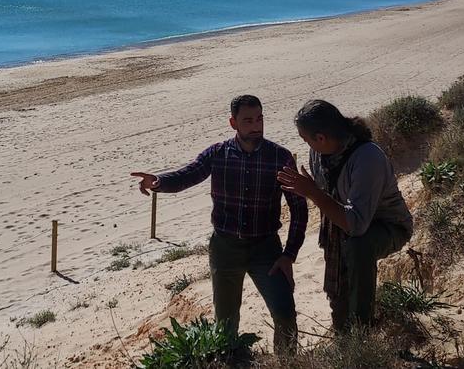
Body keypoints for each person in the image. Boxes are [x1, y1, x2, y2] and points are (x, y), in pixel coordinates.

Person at [130, 95, 307, 354]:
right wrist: (158, 182)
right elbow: (187, 175)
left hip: (266, 249)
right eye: (248, 120)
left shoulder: (279, 157)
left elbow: (299, 209)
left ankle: (287, 362)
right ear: (233, 123)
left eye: (259, 119)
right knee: (225, 324)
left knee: (285, 314)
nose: (256, 126)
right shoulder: (217, 154)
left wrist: (289, 254)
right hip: (225, 249)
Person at [278, 100, 413, 331]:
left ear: (321, 138)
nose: (304, 144)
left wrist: (312, 192)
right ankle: (343, 330)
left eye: (305, 139)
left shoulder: (367, 158)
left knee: (359, 245)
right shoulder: (318, 154)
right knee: (339, 295)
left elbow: (356, 224)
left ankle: (362, 327)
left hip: (387, 227)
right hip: (342, 227)